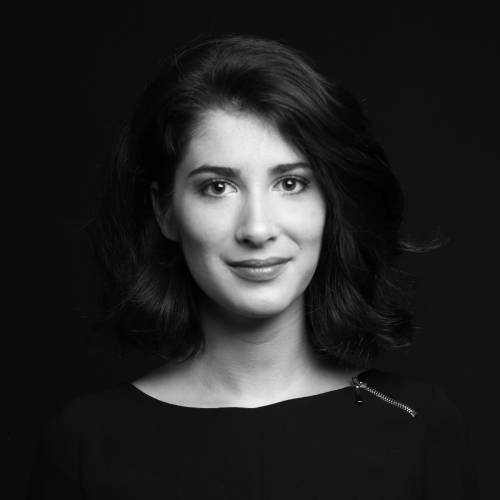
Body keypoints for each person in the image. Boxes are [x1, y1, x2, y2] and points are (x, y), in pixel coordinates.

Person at [27, 34, 477, 499]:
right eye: (218, 187)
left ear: (331, 202)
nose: (257, 228)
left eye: (291, 183)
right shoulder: (85, 444)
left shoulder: (417, 425)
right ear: (165, 211)